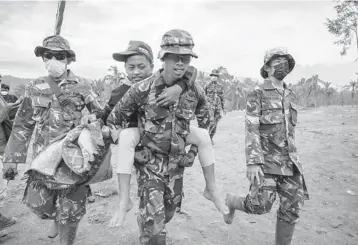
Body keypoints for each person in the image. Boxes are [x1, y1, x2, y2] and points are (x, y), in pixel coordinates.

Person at [107, 29, 225, 244]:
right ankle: (146, 226)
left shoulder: (194, 91)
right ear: (163, 57)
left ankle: (149, 221)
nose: (180, 63)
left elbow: (207, 122)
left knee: (168, 211)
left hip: (176, 165)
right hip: (149, 164)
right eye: (175, 57)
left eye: (185, 58)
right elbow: (114, 120)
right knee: (154, 226)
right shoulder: (142, 89)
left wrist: (194, 151)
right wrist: (133, 148)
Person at [2, 35, 108, 245]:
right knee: (40, 203)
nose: (53, 60)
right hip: (45, 161)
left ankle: (66, 235)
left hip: (73, 160)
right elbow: (23, 124)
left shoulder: (83, 86)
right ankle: (56, 218)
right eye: (48, 55)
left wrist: (92, 121)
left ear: (68, 59)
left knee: (71, 211)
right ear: (42, 58)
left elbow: (100, 114)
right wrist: (12, 158)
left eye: (59, 56)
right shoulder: (35, 87)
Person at [224, 47, 309, 245]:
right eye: (277, 61)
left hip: (291, 163)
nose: (282, 64)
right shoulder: (257, 93)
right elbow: (251, 126)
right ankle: (233, 201)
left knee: (292, 208)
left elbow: (290, 132)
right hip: (266, 162)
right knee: (260, 206)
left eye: (285, 61)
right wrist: (253, 162)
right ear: (267, 67)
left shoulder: (291, 94)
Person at [205, 69, 225, 144]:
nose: (214, 77)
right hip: (209, 107)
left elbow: (222, 98)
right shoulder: (207, 85)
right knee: (211, 122)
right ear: (211, 76)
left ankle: (210, 138)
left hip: (217, 107)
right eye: (213, 75)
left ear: (217, 77)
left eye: (216, 76)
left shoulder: (221, 86)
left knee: (215, 123)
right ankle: (205, 137)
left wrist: (223, 108)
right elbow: (203, 97)